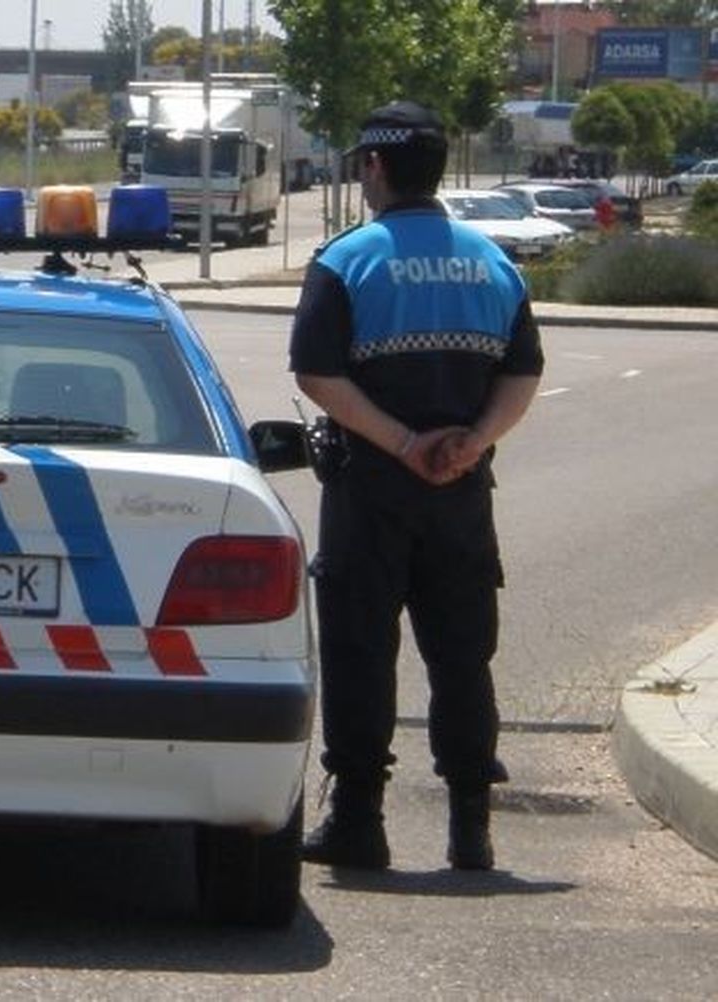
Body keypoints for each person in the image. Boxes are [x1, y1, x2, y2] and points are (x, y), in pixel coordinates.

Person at [287, 101, 544, 871]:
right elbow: (523, 372)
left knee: (362, 653)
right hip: (461, 496)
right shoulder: (492, 261)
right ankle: (473, 828)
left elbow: (317, 373)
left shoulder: (348, 259)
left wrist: (402, 443)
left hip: (370, 490)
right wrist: (469, 444)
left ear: (374, 166)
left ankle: (359, 823)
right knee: (462, 657)